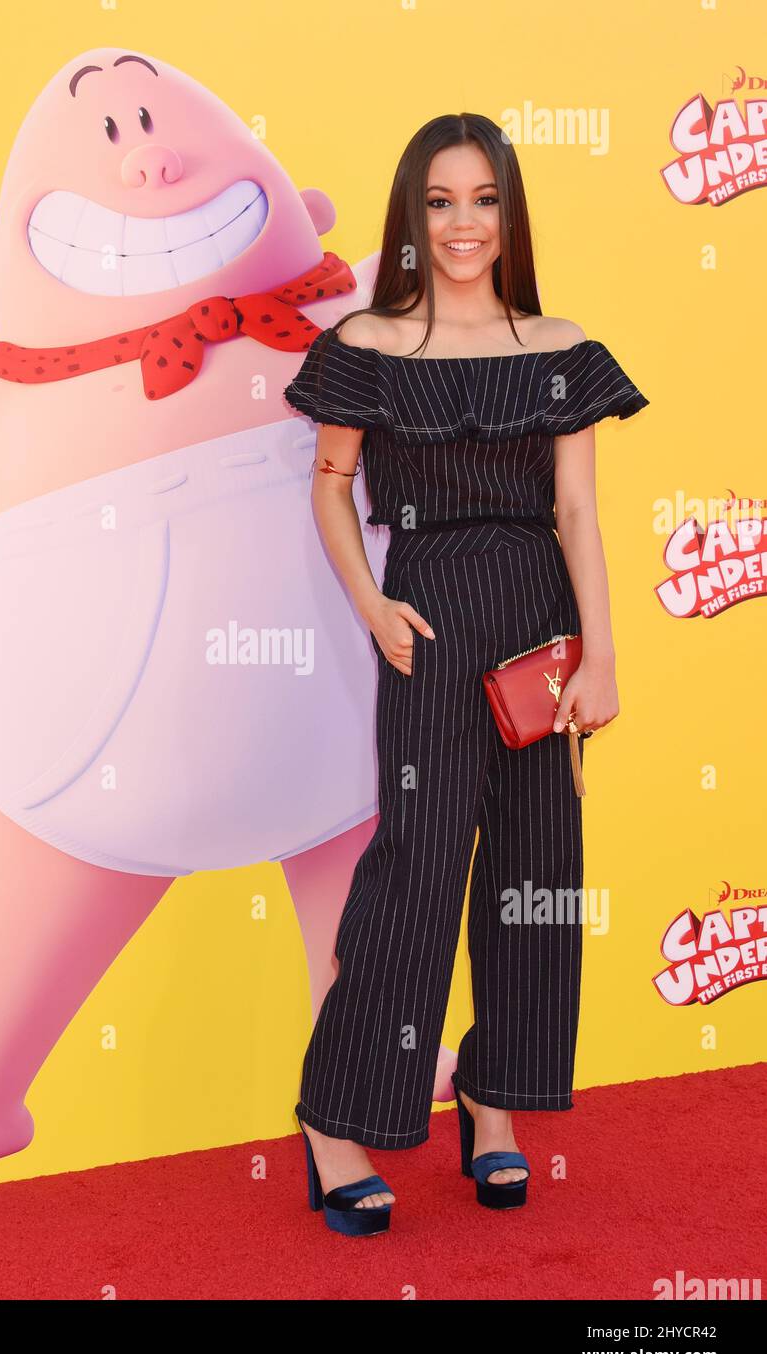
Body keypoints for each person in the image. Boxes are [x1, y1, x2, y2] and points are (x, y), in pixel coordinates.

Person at [283, 113, 649, 1236]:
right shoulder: (365, 346)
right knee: (416, 872)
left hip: (538, 629)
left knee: (538, 872)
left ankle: (493, 1104)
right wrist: (370, 605)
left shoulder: (558, 344)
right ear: (412, 214)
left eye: (482, 199)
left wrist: (600, 646)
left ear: (508, 211)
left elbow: (575, 510)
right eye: (440, 202)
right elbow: (329, 486)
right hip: (429, 628)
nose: (462, 224)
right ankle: (335, 1118)